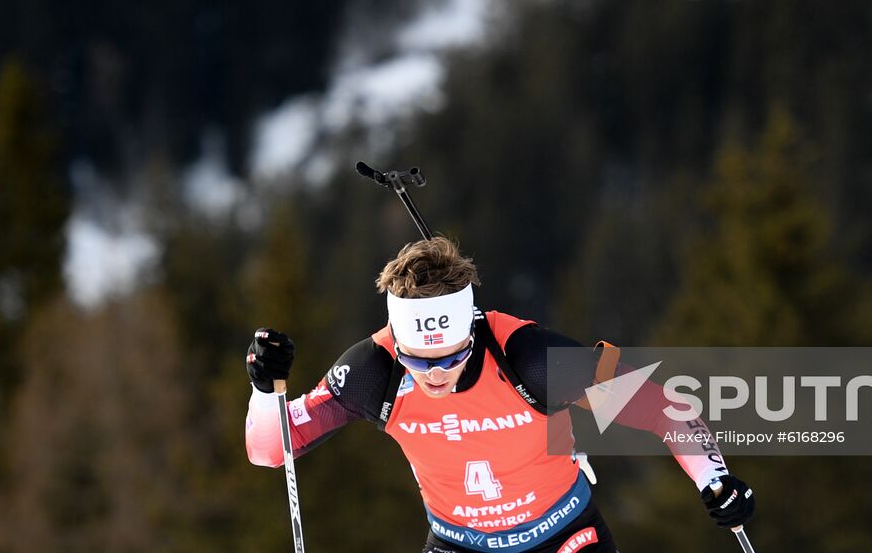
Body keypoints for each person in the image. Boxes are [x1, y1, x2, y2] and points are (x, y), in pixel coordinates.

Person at [245, 236, 754, 552]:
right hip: (456, 545)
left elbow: (662, 408)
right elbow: (272, 450)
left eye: (451, 356)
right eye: (418, 360)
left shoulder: (529, 358)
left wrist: (715, 478)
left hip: (564, 538)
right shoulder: (371, 371)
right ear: (396, 342)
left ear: (471, 329)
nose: (436, 374)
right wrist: (265, 391)